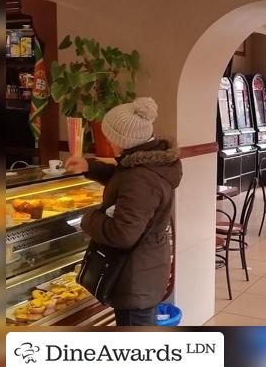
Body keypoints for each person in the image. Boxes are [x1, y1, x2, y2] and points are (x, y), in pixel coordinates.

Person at [66, 97, 182, 326]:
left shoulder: (140, 177)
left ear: (123, 140)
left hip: (134, 279)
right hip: (144, 269)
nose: (109, 142)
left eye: (110, 137)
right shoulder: (149, 163)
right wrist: (91, 167)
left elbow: (122, 234)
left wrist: (88, 219)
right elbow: (124, 180)